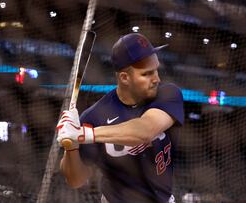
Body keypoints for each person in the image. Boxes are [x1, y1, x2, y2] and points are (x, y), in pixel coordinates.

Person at [57, 33, 184, 203]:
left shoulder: (168, 94)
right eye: (147, 74)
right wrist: (71, 146)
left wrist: (82, 134)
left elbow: (145, 130)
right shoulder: (94, 116)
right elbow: (76, 180)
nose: (157, 79)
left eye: (156, 70)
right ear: (125, 78)